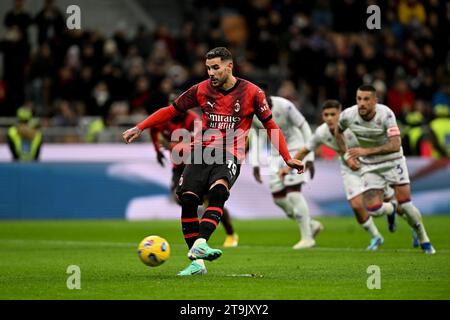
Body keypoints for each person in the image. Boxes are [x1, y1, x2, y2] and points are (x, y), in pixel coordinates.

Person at [123, 47, 304, 275]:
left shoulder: (252, 93)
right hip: (202, 151)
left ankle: (200, 244)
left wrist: (288, 158)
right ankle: (197, 263)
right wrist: (140, 127)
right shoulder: (201, 90)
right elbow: (170, 110)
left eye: (215, 67)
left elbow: (271, 126)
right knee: (188, 200)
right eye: (208, 68)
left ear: (229, 66)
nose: (211, 72)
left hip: (231, 153)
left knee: (219, 191)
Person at [334, 84, 436, 254]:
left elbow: (396, 145)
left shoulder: (386, 114)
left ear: (375, 101)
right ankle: (392, 207)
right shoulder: (347, 115)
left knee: (407, 204)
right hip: (370, 165)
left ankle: (423, 238)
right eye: (359, 99)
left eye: (366, 99)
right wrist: (347, 155)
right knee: (373, 210)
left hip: (393, 161)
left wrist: (365, 151)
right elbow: (338, 132)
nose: (362, 103)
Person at [280, 100, 391, 250]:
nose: (330, 118)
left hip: (370, 166)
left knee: (381, 207)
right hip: (349, 170)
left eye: (333, 114)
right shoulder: (321, 132)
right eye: (326, 115)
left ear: (341, 114)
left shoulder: (354, 125)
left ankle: (396, 211)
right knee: (357, 205)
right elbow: (305, 150)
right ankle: (376, 236)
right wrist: (288, 167)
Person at [150, 92, 239, 248]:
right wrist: (157, 150)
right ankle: (198, 236)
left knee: (213, 198)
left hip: (198, 163)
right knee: (181, 199)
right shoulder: (165, 119)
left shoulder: (193, 120)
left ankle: (231, 234)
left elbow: (203, 141)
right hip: (179, 166)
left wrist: (177, 146)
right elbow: (153, 130)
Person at [250, 93, 323, 249]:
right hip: (276, 156)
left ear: (268, 96)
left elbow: (303, 125)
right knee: (279, 198)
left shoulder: (285, 105)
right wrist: (255, 163)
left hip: (296, 150)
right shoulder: (254, 112)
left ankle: (307, 238)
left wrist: (309, 155)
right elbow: (257, 137)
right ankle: (311, 224)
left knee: (293, 193)